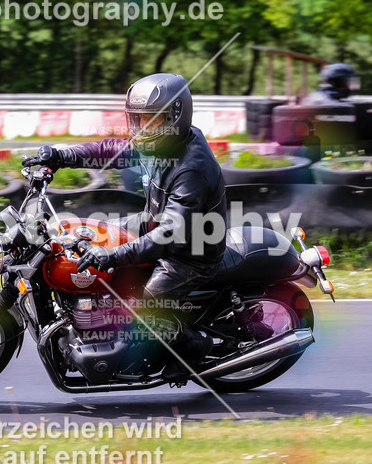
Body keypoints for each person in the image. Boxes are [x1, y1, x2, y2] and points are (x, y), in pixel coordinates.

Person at [23, 73, 227, 376]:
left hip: (189, 253)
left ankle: (194, 350)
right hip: (153, 222)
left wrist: (113, 256)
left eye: (150, 120)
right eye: (137, 119)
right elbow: (110, 150)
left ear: (174, 116)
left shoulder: (191, 168)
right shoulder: (162, 141)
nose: (141, 127)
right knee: (90, 233)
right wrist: (61, 155)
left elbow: (171, 236)